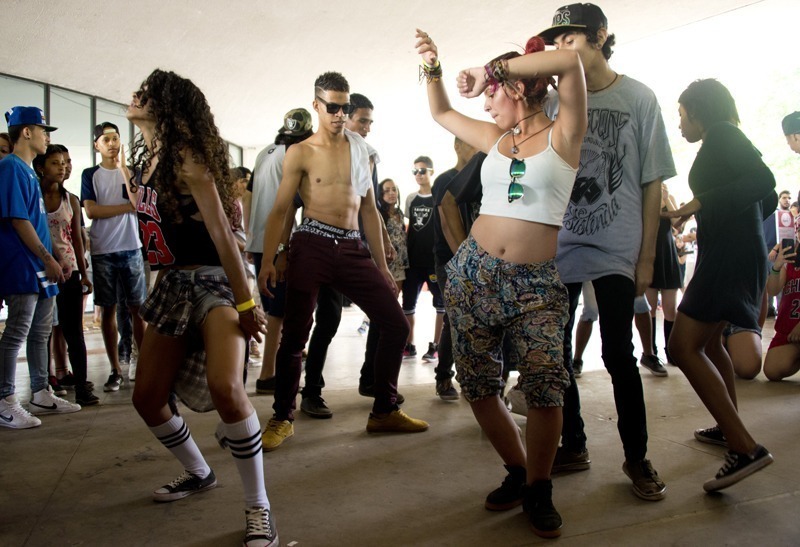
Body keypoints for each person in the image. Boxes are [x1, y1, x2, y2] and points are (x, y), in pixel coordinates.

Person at [416, 22, 586, 536]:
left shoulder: (564, 134)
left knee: (546, 388)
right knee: (478, 385)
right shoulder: (495, 139)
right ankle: (518, 471)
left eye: (492, 94)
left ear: (515, 87)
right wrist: (433, 68)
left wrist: (490, 69)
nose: (486, 104)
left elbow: (568, 63)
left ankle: (540, 487)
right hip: (473, 274)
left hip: (536, 285)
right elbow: (442, 112)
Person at [127, 69, 278, 547]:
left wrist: (246, 302)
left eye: (146, 92)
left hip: (214, 279)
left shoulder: (188, 158)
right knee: (146, 397)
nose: (135, 96)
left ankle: (259, 507)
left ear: (167, 105)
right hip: (173, 283)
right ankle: (199, 471)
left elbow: (223, 236)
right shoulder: (143, 163)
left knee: (226, 387)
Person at [538, 3, 674, 501]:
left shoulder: (638, 97)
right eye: (556, 42)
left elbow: (652, 181)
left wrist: (646, 258)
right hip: (561, 247)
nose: (561, 49)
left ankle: (637, 457)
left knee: (619, 353)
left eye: (570, 38)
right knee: (555, 355)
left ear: (599, 37)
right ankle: (573, 444)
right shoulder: (551, 103)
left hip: (617, 247)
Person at [258, 71, 428, 451]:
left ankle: (384, 410)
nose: (339, 114)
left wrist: (382, 266)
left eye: (344, 108)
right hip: (312, 243)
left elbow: (369, 209)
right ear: (316, 106)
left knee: (395, 324)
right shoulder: (300, 152)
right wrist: (272, 257)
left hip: (352, 247)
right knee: (295, 336)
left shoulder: (361, 151)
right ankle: (282, 416)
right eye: (332, 107)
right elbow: (281, 209)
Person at [665, 78, 775, 492]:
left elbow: (764, 181)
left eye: (681, 114)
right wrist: (701, 213)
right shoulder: (720, 140)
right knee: (711, 345)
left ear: (699, 111)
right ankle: (729, 427)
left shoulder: (724, 134)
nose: (679, 124)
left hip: (727, 258)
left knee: (681, 347)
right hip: (730, 253)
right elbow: (758, 200)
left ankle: (745, 447)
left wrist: (703, 203)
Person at [0, 106, 81, 429]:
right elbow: (18, 220)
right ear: (26, 132)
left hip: (41, 264)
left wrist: (56, 256)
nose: (47, 137)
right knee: (17, 331)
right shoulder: (10, 168)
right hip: (22, 263)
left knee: (41, 332)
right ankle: (5, 400)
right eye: (43, 130)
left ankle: (40, 391)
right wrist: (48, 258)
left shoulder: (28, 173)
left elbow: (37, 221)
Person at [247, 109, 313, 396]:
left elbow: (248, 196)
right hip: (277, 241)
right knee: (279, 310)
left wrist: (251, 237)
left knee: (276, 307)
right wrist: (283, 248)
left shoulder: (265, 152)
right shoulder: (296, 154)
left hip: (259, 240)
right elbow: (288, 206)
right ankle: (267, 375)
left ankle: (284, 360)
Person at [81, 122, 147, 392]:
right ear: (96, 145)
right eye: (106, 139)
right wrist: (126, 208)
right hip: (103, 250)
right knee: (108, 309)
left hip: (132, 247)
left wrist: (123, 169)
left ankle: (143, 364)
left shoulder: (132, 173)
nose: (112, 143)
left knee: (138, 309)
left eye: (116, 138)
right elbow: (91, 211)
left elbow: (138, 203)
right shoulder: (90, 175)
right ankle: (115, 369)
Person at [34, 145, 98, 406]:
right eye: (55, 163)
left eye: (64, 163)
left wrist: (84, 274)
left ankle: (82, 386)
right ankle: (46, 384)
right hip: (41, 270)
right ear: (41, 167)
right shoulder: (34, 196)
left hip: (69, 271)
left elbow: (77, 239)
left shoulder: (71, 200)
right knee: (43, 331)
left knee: (74, 332)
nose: (62, 167)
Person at [431, 138, 476, 399]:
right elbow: (447, 223)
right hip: (450, 260)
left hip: (478, 259)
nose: (476, 150)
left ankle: (474, 379)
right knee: (455, 318)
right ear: (457, 146)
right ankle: (444, 377)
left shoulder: (480, 179)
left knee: (476, 320)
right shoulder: (445, 180)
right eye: (471, 145)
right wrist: (463, 263)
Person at [403, 155, 446, 361]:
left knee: (440, 305)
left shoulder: (439, 197)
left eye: (422, 171)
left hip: (433, 261)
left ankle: (436, 345)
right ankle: (409, 344)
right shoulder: (411, 199)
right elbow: (410, 229)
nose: (418, 175)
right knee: (408, 304)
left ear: (431, 171)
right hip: (413, 260)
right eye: (415, 171)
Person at [644, 182, 682, 365]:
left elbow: (678, 225)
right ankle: (651, 351)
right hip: (650, 255)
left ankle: (671, 351)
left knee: (670, 309)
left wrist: (666, 200)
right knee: (649, 309)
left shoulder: (669, 197)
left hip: (668, 256)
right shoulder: (644, 197)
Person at [763, 243, 800, 381]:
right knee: (772, 370)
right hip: (788, 329)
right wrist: (777, 267)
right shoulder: (791, 255)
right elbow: (772, 290)